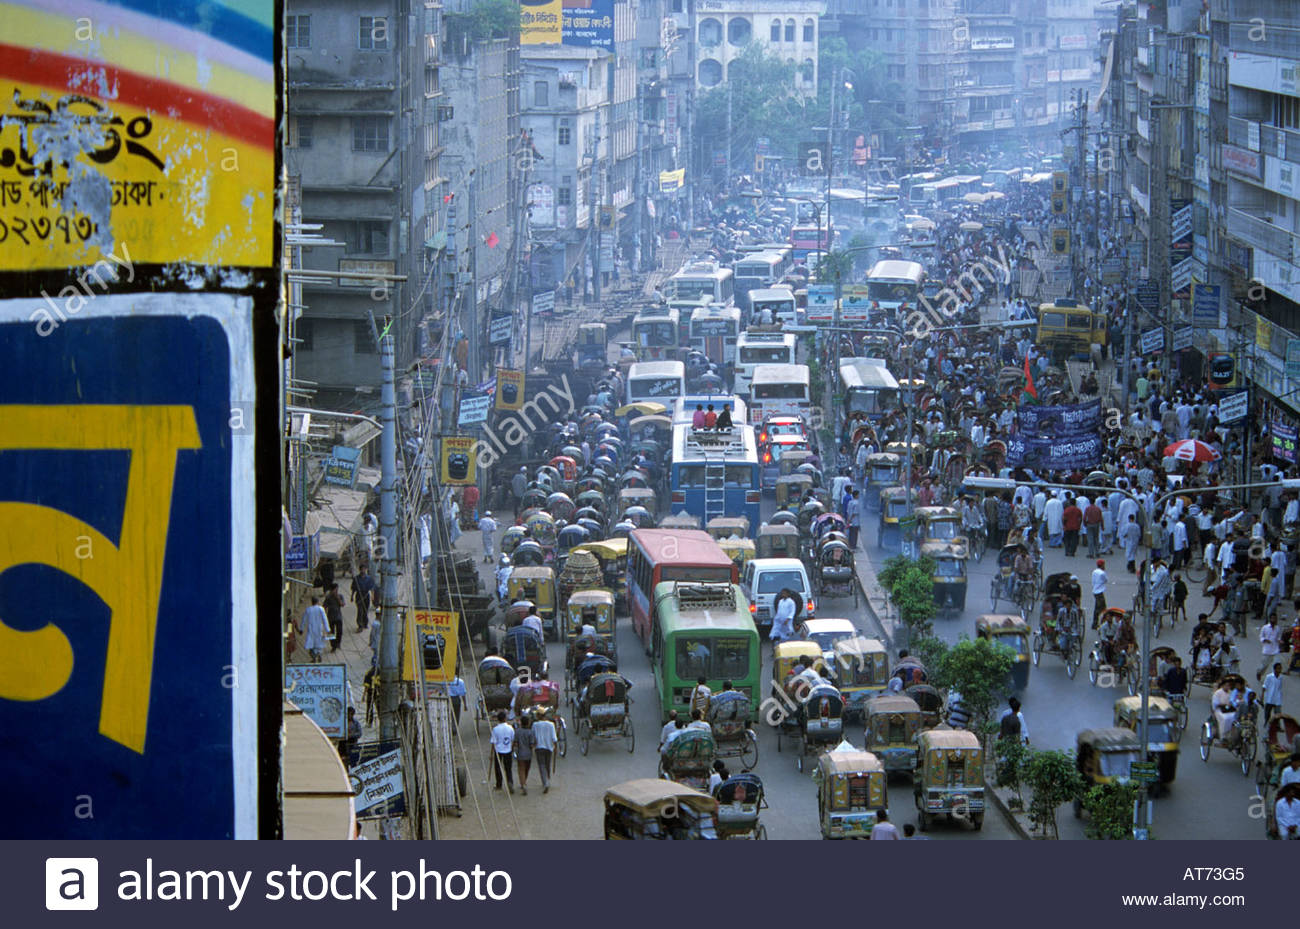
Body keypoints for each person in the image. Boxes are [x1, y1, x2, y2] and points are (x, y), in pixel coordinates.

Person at [532, 709, 557, 793]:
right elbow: (554, 738)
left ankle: (545, 782)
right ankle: (547, 780)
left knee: (542, 765)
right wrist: (555, 748)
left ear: (539, 715)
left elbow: (533, 737)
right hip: (549, 747)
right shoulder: (551, 725)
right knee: (547, 765)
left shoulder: (535, 725)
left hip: (539, 747)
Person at [490, 711, 515, 793]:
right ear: (505, 718)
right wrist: (512, 748)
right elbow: (512, 740)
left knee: (498, 768)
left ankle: (499, 784)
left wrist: (491, 754)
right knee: (508, 768)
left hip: (498, 751)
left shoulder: (495, 729)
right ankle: (510, 782)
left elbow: (493, 742)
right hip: (508, 750)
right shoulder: (510, 728)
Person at [299, 597, 329, 663]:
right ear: (318, 601)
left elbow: (304, 620)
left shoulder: (308, 610)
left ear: (312, 602)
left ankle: (314, 657)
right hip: (319, 629)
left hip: (311, 630)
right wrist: (327, 629)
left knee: (312, 644)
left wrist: (301, 629)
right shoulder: (321, 609)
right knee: (319, 644)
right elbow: (325, 619)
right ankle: (319, 654)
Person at [513, 714, 535, 795]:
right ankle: (524, 781)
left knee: (521, 769)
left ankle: (523, 784)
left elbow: (515, 743)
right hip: (528, 754)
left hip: (520, 753)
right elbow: (532, 745)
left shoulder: (517, 731)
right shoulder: (531, 732)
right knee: (527, 769)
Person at [351, 565, 378, 631]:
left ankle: (365, 623)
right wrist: (351, 596)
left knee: (365, 610)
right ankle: (360, 625)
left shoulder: (369, 578)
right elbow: (353, 588)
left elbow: (372, 588)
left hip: (366, 595)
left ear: (366, 569)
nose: (363, 570)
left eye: (364, 569)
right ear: (360, 570)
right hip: (359, 595)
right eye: (362, 569)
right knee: (360, 610)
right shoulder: (356, 579)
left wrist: (372, 596)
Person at [323, 583, 345, 653]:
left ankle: (338, 643)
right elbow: (324, 606)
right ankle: (333, 646)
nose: (336, 591)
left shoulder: (340, 596)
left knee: (339, 631)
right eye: (335, 589)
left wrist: (337, 598)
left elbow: (342, 604)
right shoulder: (328, 597)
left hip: (338, 616)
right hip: (331, 617)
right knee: (331, 633)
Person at [1259, 615, 1282, 681]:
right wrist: (1265, 640)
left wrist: (1280, 641)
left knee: (1276, 664)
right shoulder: (1265, 628)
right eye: (1273, 618)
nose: (1274, 620)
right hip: (1267, 650)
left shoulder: (1277, 628)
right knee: (1264, 665)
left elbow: (1278, 637)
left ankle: (1274, 678)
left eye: (1275, 619)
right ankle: (1259, 672)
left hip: (1275, 650)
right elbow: (1261, 637)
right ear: (1270, 619)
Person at [1091, 559, 1108, 629]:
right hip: (1099, 591)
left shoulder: (1094, 571)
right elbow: (1106, 580)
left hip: (1095, 590)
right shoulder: (1102, 573)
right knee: (1101, 607)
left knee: (1098, 607)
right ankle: (1098, 623)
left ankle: (1098, 622)